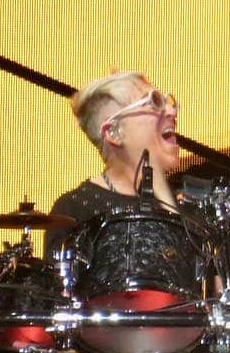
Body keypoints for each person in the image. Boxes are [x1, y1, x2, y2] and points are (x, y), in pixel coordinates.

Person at [44, 70, 181, 258]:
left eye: (168, 102)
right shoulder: (73, 212)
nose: (172, 111)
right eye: (154, 102)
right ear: (114, 133)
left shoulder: (188, 205)